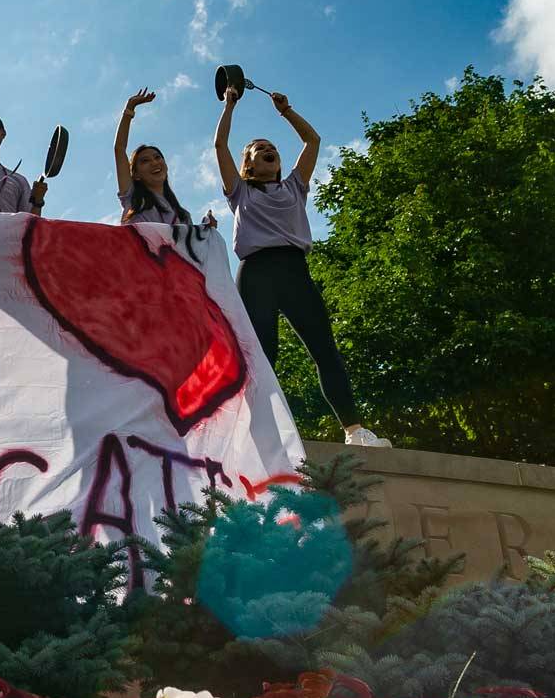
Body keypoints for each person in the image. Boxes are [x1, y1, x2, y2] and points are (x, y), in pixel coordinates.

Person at [215, 80, 389, 448]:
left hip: (295, 271)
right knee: (263, 356)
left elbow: (312, 142)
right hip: (257, 274)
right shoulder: (240, 192)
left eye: (272, 148)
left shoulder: (295, 186)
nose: (268, 150)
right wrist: (229, 106)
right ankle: (257, 433)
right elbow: (220, 146)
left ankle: (355, 431)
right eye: (259, 149)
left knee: (324, 349)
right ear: (247, 165)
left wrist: (286, 112)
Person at [113, 87, 215, 229]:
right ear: (135, 175)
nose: (154, 163)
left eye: (157, 157)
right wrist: (130, 108)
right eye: (145, 161)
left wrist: (206, 229)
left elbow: (189, 247)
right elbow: (119, 149)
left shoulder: (183, 216)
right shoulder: (133, 198)